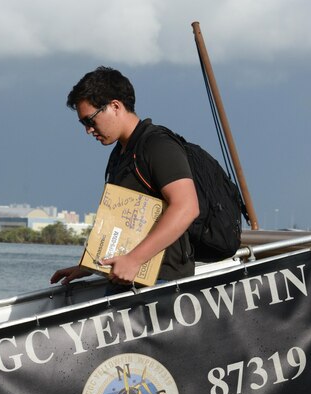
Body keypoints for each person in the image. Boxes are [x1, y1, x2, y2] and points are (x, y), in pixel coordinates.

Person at [51, 66, 200, 287]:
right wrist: (91, 265)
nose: (88, 130)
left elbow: (187, 207)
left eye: (90, 120)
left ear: (115, 106)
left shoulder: (157, 145)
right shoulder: (121, 153)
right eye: (83, 123)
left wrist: (135, 259)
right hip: (128, 281)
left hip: (162, 284)